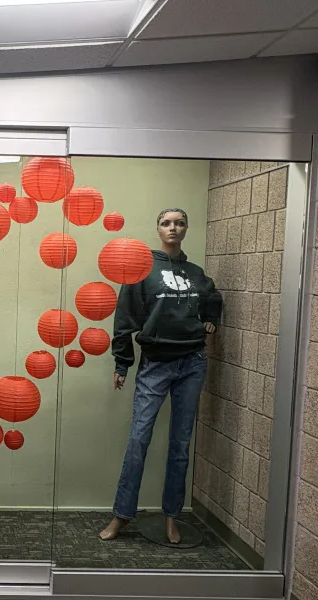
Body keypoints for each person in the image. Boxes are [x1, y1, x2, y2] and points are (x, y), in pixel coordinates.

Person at [99, 208, 221, 544]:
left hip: (192, 362)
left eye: (180, 223)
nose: (173, 228)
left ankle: (172, 517)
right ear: (157, 228)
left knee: (180, 445)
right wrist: (122, 363)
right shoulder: (141, 270)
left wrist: (211, 319)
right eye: (166, 223)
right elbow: (124, 319)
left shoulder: (196, 274)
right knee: (139, 440)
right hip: (155, 363)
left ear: (186, 228)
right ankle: (122, 515)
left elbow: (213, 298)